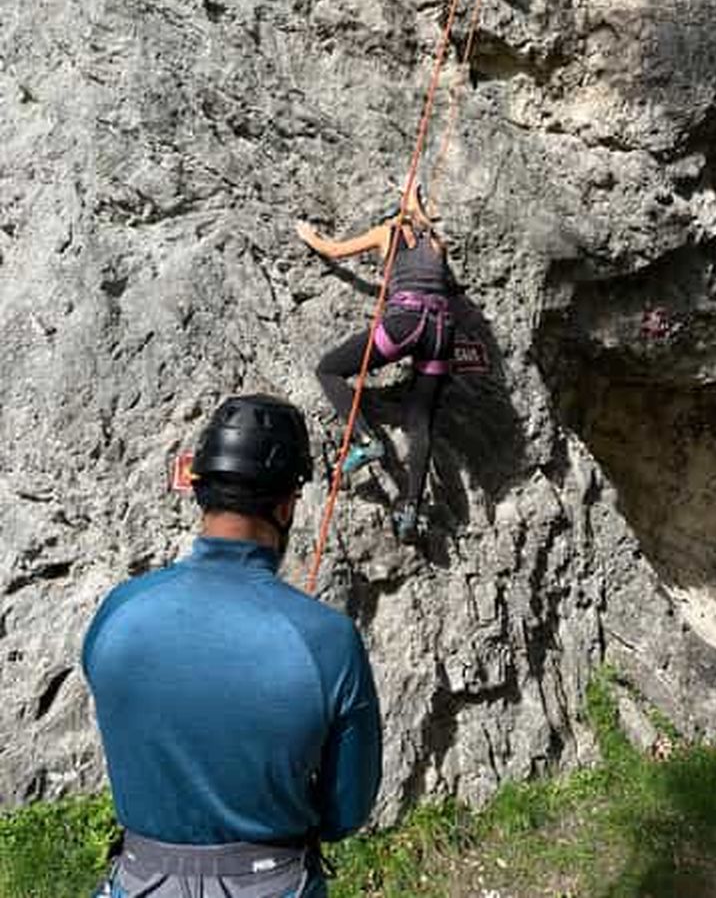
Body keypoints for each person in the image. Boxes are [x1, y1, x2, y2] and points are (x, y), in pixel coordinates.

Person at [82, 394, 382, 898]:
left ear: (199, 490)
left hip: (138, 879)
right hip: (273, 881)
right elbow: (344, 812)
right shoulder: (327, 640)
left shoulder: (119, 612)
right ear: (286, 505)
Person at [296, 184, 455, 543]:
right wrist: (416, 205)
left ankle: (367, 439)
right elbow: (424, 222)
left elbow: (333, 250)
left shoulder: (386, 233)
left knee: (329, 369)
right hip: (442, 330)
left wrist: (309, 235)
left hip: (405, 321)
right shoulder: (437, 244)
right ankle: (412, 505)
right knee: (420, 418)